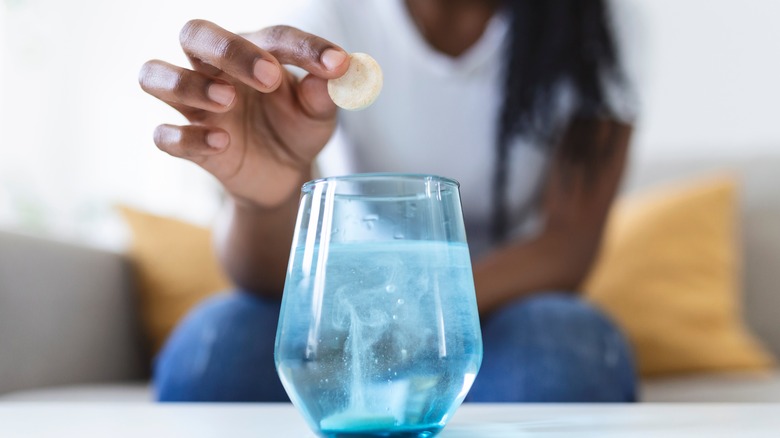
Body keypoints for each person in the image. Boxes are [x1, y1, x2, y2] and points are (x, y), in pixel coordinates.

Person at [139, 0, 637, 402]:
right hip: (344, 297)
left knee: (561, 349)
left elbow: (569, 244)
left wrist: (414, 313)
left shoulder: (594, 26)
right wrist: (268, 199)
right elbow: (268, 279)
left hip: (504, 302)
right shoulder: (328, 14)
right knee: (216, 347)